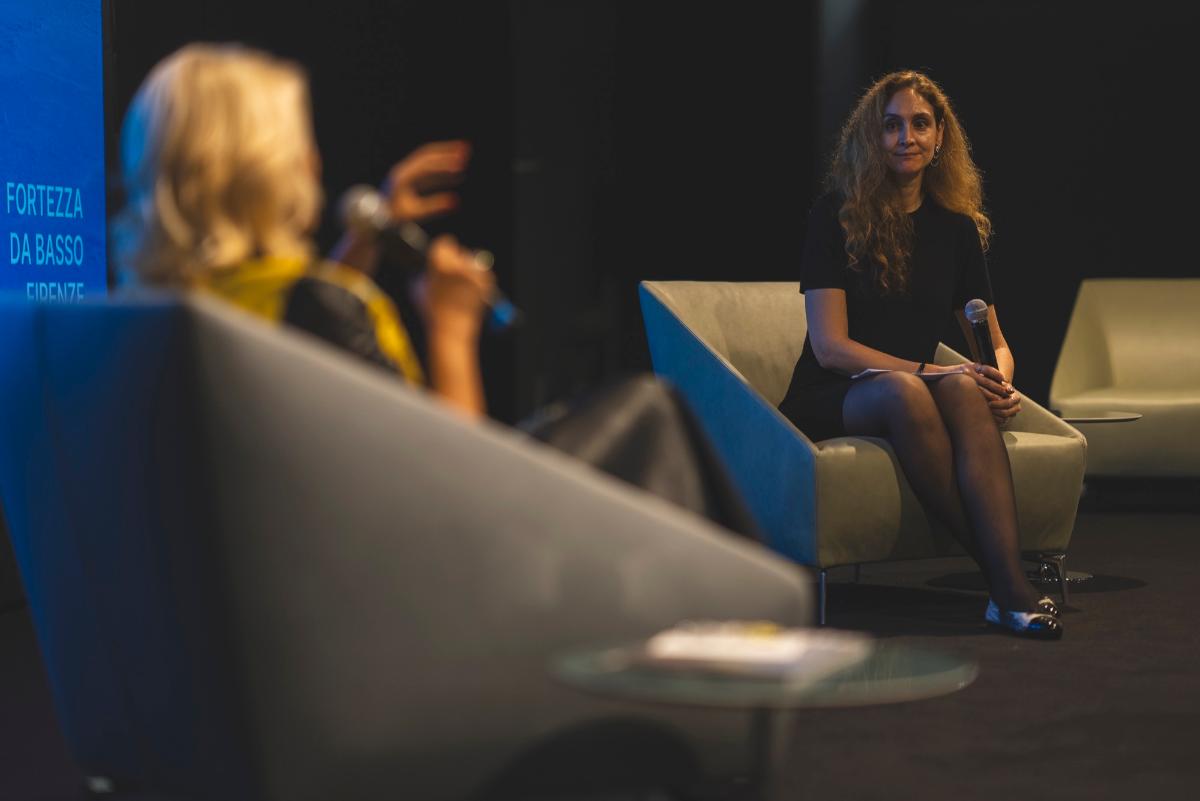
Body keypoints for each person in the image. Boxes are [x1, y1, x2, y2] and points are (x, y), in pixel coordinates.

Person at [114, 43, 763, 543]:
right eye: (299, 143)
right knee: (649, 411)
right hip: (418, 578)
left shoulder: (156, 318)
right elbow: (461, 498)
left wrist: (368, 240)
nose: (313, 162)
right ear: (270, 166)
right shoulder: (318, 308)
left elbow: (294, 330)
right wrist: (452, 328)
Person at [777, 70, 1061, 638]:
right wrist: (933, 371)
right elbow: (831, 349)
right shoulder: (835, 215)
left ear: (939, 138)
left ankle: (1004, 592)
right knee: (912, 388)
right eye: (891, 125)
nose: (906, 137)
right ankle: (1007, 582)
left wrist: (998, 380)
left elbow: (995, 341)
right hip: (833, 394)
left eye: (920, 124)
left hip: (914, 388)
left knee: (961, 388)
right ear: (873, 138)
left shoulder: (955, 229)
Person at [115, 43, 494, 419]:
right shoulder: (331, 312)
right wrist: (452, 330)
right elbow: (445, 461)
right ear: (272, 168)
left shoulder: (131, 327)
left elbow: (299, 319)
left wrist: (372, 230)